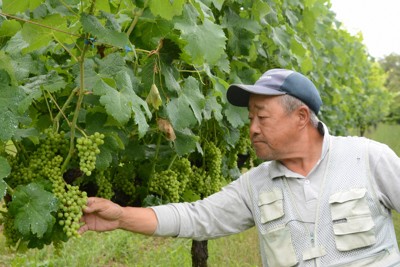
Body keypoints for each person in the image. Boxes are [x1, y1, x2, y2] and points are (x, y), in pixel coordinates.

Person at [79, 69, 400, 266]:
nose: (252, 129)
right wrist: (121, 216)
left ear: (301, 117)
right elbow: (197, 216)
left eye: (262, 117)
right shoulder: (256, 184)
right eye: (250, 119)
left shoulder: (367, 158)